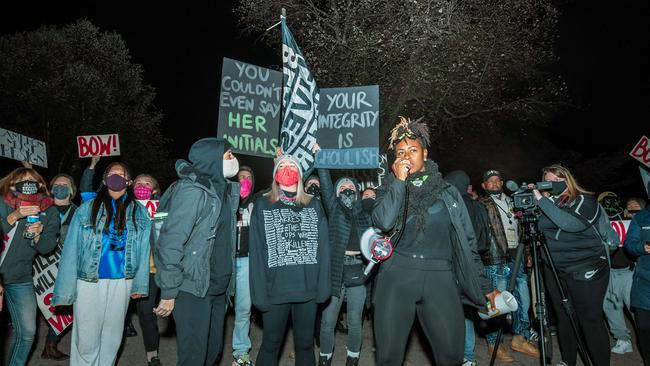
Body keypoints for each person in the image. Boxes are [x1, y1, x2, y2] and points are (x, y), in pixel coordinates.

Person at [371, 117, 496, 366]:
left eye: (413, 150)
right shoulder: (388, 188)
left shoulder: (447, 192)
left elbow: (468, 244)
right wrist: (398, 182)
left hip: (441, 278)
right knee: (388, 358)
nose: (407, 156)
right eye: (401, 152)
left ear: (425, 153)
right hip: (397, 277)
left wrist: (485, 287)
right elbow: (383, 222)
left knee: (451, 356)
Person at [53, 162, 151, 366]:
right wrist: (64, 290)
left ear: (129, 181)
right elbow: (71, 250)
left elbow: (144, 251)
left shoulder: (140, 213)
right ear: (105, 180)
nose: (116, 177)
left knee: (112, 336)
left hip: (123, 280)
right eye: (112, 174)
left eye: (121, 174)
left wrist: (140, 285)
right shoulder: (86, 209)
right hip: (89, 280)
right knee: (87, 337)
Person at [153, 138, 240, 366]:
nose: (234, 160)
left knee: (212, 353)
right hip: (193, 287)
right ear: (212, 159)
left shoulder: (225, 191)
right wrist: (169, 290)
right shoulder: (192, 191)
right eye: (228, 155)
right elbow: (170, 241)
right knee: (193, 357)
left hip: (218, 287)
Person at [249, 154, 330, 366]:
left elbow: (324, 249)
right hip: (275, 289)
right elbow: (256, 252)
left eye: (291, 165)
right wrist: (259, 293)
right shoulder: (263, 204)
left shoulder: (314, 205)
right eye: (281, 165)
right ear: (275, 175)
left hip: (307, 290)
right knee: (270, 344)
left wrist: (323, 287)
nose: (286, 168)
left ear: (300, 174)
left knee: (305, 345)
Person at [532, 163, 610, 366]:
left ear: (568, 180)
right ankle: (568, 361)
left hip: (586, 267)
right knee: (565, 318)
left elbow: (571, 224)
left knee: (589, 319)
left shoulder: (585, 200)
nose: (553, 185)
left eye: (558, 181)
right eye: (548, 181)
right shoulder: (550, 203)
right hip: (554, 268)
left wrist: (541, 200)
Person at [313, 146, 373, 366]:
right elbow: (326, 182)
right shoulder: (333, 207)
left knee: (355, 320)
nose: (347, 187)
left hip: (359, 269)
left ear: (356, 191)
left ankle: (352, 358)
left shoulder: (364, 210)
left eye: (350, 185)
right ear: (337, 192)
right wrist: (321, 157)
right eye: (342, 186)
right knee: (328, 320)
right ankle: (325, 358)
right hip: (336, 270)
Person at [0, 167, 60, 365]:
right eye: (21, 180)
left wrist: (38, 234)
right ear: (11, 184)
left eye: (32, 181)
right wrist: (13, 216)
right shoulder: (2, 202)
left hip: (20, 278)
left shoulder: (49, 211)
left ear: (40, 186)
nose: (27, 185)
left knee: (27, 333)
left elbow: (46, 247)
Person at [480, 169, 539, 362]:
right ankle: (494, 343)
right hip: (495, 258)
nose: (495, 183)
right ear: (484, 186)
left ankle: (520, 338)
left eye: (498, 180)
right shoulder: (481, 204)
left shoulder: (514, 200)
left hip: (518, 255)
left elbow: (523, 227)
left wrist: (528, 253)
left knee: (524, 299)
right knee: (498, 304)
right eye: (490, 181)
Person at [444, 170, 492, 366]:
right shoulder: (477, 205)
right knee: (467, 308)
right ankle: (468, 357)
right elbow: (484, 237)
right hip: (475, 260)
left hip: (454, 262)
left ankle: (459, 354)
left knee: (453, 310)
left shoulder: (452, 203)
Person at [39, 173, 79, 361]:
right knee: (45, 304)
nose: (61, 186)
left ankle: (50, 344)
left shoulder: (78, 212)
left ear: (71, 190)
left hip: (67, 265)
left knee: (63, 306)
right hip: (42, 264)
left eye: (66, 184)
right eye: (57, 184)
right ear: (51, 188)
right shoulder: (41, 208)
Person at [598, 191, 636, 355]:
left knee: (635, 307)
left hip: (629, 271)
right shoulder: (598, 220)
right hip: (608, 271)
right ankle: (623, 339)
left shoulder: (629, 219)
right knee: (610, 306)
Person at [132, 173, 164, 366]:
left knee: (146, 313)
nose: (142, 186)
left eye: (147, 183)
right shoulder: (124, 206)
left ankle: (152, 355)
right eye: (138, 183)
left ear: (154, 190)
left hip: (150, 269)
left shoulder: (161, 208)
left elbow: (165, 233)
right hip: (123, 270)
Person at [231, 165, 257, 366]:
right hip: (226, 262)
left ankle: (240, 351)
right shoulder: (225, 201)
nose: (244, 181)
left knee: (243, 309)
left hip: (246, 262)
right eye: (241, 177)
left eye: (248, 177)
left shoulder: (256, 205)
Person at [625, 197, 650, 365]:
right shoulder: (642, 217)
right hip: (644, 283)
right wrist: (643, 247)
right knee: (643, 328)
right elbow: (630, 244)